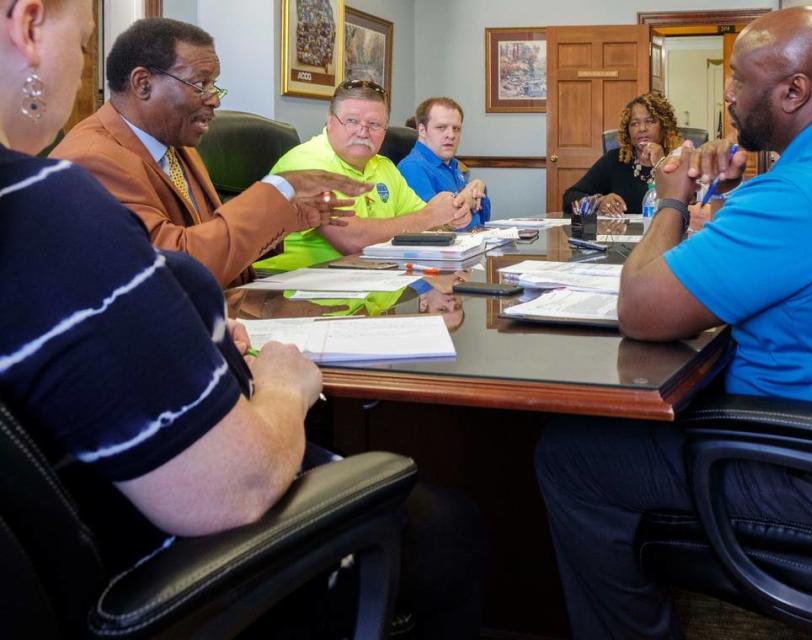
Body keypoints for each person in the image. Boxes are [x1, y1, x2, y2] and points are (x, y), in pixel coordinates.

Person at [0, 3, 484, 637]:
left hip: (92, 519)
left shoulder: (159, 159)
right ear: (29, 25)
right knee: (451, 526)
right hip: (159, 561)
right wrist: (285, 386)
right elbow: (235, 484)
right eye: (84, 42)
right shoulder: (56, 193)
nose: (81, 70)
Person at [536, 6, 812, 639]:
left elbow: (641, 308)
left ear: (793, 90)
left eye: (739, 79)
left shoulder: (801, 193)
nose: (728, 95)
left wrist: (673, 197)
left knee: (572, 455)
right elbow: (789, 255)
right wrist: (721, 199)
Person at [52, 17, 360, 288]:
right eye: (201, 84)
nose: (214, 99)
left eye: (214, 84)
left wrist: (284, 220)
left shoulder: (176, 145)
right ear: (143, 84)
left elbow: (211, 241)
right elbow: (174, 269)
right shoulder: (92, 160)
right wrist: (277, 189)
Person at [255, 80, 473, 271]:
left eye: (374, 124)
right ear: (330, 122)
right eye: (351, 121)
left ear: (385, 129)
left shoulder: (384, 167)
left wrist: (450, 216)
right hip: (298, 295)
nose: (363, 131)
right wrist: (431, 216)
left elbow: (428, 223)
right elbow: (353, 240)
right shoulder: (307, 165)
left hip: (369, 284)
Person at [562, 93, 682, 216]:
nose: (641, 128)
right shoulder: (615, 160)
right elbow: (570, 197)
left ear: (664, 127)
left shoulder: (679, 160)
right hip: (623, 233)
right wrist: (599, 201)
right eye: (634, 123)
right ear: (628, 131)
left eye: (649, 121)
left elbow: (685, 204)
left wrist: (660, 163)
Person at [398, 97, 491, 230]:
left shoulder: (452, 165)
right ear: (422, 130)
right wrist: (466, 198)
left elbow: (483, 219)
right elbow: (438, 226)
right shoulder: (413, 168)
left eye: (456, 128)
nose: (451, 135)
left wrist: (479, 186)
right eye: (441, 127)